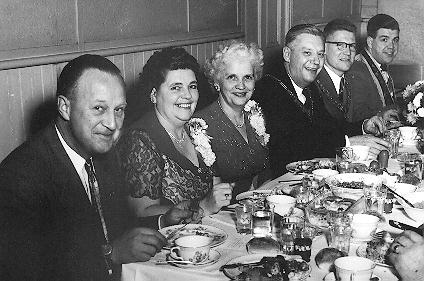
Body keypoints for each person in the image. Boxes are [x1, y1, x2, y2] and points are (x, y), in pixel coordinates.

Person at [0, 54, 196, 281]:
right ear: (65, 107)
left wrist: (164, 220)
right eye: (99, 109)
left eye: (119, 110)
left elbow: (113, 228)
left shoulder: (102, 152)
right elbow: (26, 271)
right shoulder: (20, 178)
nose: (112, 124)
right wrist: (109, 255)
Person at [253, 24, 388, 177]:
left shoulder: (310, 88)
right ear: (287, 54)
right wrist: (348, 144)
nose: (315, 61)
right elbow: (296, 142)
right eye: (307, 53)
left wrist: (364, 126)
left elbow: (329, 126)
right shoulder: (269, 89)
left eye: (320, 54)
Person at [118, 47, 233, 219]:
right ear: (154, 95)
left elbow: (216, 189)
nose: (187, 95)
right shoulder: (140, 140)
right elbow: (142, 213)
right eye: (175, 88)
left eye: (192, 86)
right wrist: (202, 207)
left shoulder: (196, 129)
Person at [195, 40, 271, 201]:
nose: (241, 85)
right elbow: (210, 192)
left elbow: (265, 171)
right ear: (217, 82)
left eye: (247, 77)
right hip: (226, 213)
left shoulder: (253, 114)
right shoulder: (201, 125)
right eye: (232, 78)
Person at [315, 19, 391, 156]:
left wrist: (364, 126)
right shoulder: (313, 83)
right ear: (323, 48)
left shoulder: (347, 80)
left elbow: (340, 127)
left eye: (351, 46)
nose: (348, 52)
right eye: (340, 45)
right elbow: (319, 135)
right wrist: (349, 143)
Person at [346, 14, 400, 122]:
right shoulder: (357, 69)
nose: (391, 47)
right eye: (384, 39)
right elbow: (358, 116)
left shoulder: (379, 63)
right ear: (370, 42)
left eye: (395, 40)